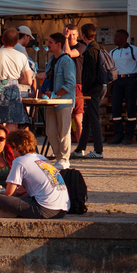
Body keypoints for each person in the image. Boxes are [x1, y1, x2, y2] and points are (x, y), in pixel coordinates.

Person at [0, 130, 69, 219]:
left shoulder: (19, 161)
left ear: (15, 147)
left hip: (45, 209)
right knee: (20, 198)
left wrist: (16, 194)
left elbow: (8, 192)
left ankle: (11, 211)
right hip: (63, 209)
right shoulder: (41, 158)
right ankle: (14, 211)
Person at [0, 28, 33, 140]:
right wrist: (15, 80)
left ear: (2, 39)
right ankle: (10, 154)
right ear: (16, 41)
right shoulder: (22, 56)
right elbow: (29, 80)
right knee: (12, 126)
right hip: (14, 92)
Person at [37, 32, 77, 168]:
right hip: (50, 102)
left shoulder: (67, 61)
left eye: (50, 42)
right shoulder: (51, 61)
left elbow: (71, 83)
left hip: (63, 102)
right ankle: (58, 156)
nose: (47, 45)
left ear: (58, 44)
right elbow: (47, 76)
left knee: (65, 131)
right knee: (50, 131)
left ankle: (65, 158)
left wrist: (55, 94)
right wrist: (31, 75)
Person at [108, 29, 137, 145]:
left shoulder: (134, 50)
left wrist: (136, 80)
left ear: (125, 38)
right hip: (118, 80)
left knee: (130, 107)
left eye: (117, 37)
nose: (114, 39)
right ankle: (118, 135)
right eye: (115, 37)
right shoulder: (112, 52)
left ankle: (129, 135)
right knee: (115, 107)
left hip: (131, 79)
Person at [75, 23, 105, 159]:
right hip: (99, 86)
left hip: (93, 88)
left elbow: (90, 73)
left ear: (83, 35)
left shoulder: (90, 50)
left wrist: (86, 88)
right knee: (87, 119)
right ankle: (80, 148)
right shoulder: (98, 47)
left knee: (94, 118)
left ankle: (98, 150)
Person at [63, 24, 85, 145]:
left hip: (76, 84)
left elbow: (68, 53)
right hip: (63, 84)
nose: (70, 37)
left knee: (77, 117)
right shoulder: (61, 46)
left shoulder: (81, 46)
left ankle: (80, 145)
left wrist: (65, 39)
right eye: (68, 34)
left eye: (72, 34)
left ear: (77, 35)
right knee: (65, 116)